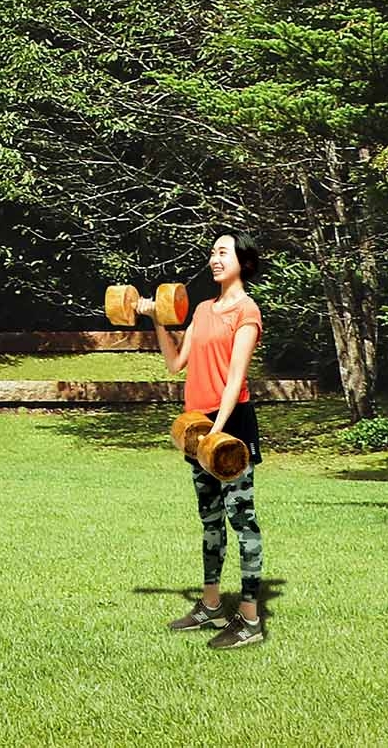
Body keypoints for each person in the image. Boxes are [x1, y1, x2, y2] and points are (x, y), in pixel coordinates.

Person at [145, 230, 267, 649]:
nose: (215, 259)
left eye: (223, 252)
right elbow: (175, 364)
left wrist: (219, 430)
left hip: (230, 426)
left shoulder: (246, 312)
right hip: (197, 424)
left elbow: (236, 378)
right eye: (212, 253)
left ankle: (250, 618)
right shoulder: (202, 310)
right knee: (210, 520)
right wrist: (158, 318)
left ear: (242, 262)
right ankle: (212, 605)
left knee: (242, 519)